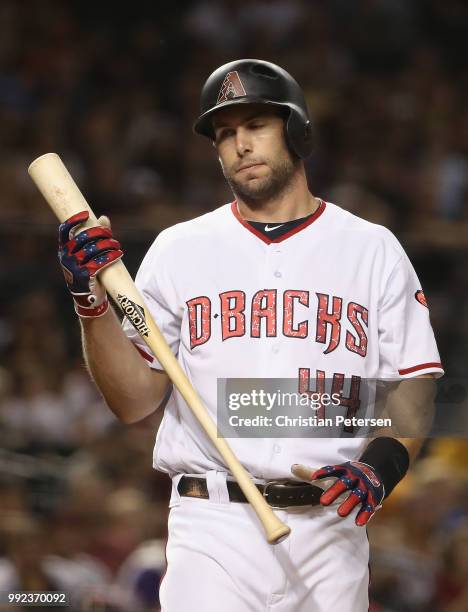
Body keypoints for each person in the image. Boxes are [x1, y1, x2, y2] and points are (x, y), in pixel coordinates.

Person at [57, 59, 444, 611]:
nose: (240, 144)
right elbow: (133, 400)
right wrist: (90, 304)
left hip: (329, 529)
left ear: (296, 130)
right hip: (211, 524)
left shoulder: (371, 248)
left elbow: (415, 381)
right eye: (225, 133)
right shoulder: (178, 248)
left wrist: (379, 469)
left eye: (256, 125)